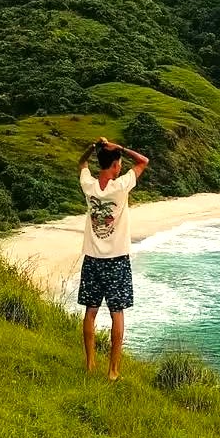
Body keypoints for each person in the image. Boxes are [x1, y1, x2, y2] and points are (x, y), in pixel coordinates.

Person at [77, 136, 149, 380]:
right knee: (117, 313)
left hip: (92, 258)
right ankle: (113, 371)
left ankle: (89, 364)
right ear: (116, 165)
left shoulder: (89, 185)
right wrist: (120, 148)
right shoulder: (121, 186)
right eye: (118, 163)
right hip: (117, 259)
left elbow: (81, 163)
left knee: (91, 311)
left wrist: (94, 147)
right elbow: (143, 161)